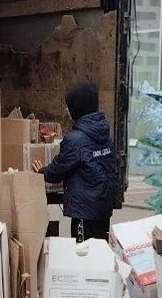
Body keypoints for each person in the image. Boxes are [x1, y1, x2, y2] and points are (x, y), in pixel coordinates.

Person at [32, 83, 116, 242]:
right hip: (102, 206)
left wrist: (42, 172)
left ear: (76, 108)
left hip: (85, 211)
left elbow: (58, 170)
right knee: (99, 249)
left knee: (83, 254)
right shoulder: (103, 132)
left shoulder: (75, 139)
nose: (67, 111)